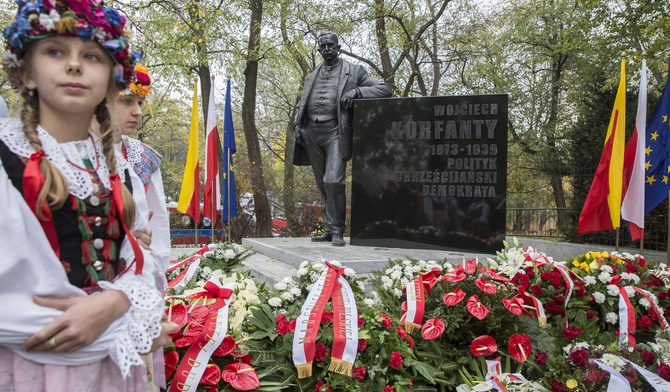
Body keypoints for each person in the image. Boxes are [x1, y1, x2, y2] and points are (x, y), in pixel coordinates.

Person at [0, 1, 171, 390]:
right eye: (55, 51)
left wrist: (114, 303)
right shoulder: (7, 159)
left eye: (91, 56)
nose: (74, 65)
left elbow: (135, 258)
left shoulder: (105, 164)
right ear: (26, 72)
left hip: (108, 371)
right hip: (33, 369)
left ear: (111, 80)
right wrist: (117, 328)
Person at [293, 32, 392, 246]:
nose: (327, 49)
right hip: (311, 133)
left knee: (333, 181)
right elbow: (302, 103)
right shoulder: (311, 76)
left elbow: (384, 89)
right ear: (319, 50)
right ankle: (329, 229)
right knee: (322, 184)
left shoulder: (354, 71)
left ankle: (338, 229)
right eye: (323, 46)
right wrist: (297, 126)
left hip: (336, 132)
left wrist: (357, 91)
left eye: (331, 45)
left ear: (338, 47)